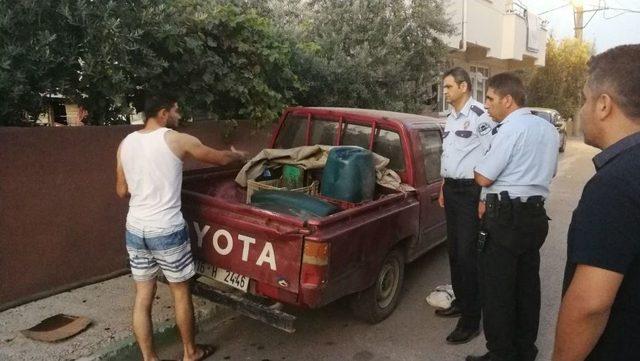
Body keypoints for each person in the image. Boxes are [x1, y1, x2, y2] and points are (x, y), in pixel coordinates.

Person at [116, 94, 247, 361]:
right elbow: (219, 159)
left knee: (143, 296)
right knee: (180, 291)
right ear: (163, 113)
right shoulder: (176, 139)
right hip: (166, 229)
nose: (179, 115)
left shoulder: (125, 143)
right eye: (176, 110)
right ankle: (190, 352)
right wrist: (237, 156)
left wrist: (145, 190)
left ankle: (150, 359)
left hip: (135, 228)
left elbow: (121, 191)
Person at [553, 44, 640, 361]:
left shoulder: (615, 185)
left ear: (604, 105)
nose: (580, 110)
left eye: (584, 100)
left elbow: (590, 306)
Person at [467, 73, 559, 361]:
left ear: (508, 100)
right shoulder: (548, 130)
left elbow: (483, 176)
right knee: (526, 287)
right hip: (534, 217)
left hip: (505, 219)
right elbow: (551, 172)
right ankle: (524, 351)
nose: (487, 105)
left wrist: (479, 172)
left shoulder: (509, 129)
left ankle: (501, 354)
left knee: (497, 291)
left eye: (491, 99)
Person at [437, 67, 495, 344]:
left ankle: (471, 321)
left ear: (463, 87)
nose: (445, 92)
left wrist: (484, 197)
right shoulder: (451, 118)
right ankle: (462, 302)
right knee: (454, 253)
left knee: (467, 255)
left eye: (448, 87)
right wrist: (442, 187)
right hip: (452, 190)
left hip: (471, 192)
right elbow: (450, 156)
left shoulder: (479, 116)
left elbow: (493, 155)